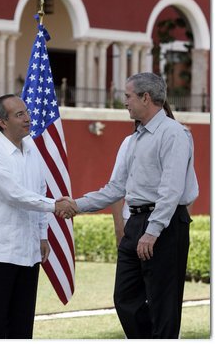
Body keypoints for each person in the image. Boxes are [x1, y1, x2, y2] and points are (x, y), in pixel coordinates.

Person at [60, 73, 199, 339]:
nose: (124, 102)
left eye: (128, 96)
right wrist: (76, 204)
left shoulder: (174, 134)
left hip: (165, 225)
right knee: (125, 299)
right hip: (135, 223)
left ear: (146, 98)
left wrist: (153, 230)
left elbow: (171, 190)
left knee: (163, 304)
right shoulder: (131, 141)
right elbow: (114, 189)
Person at [0, 94, 76, 339]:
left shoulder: (31, 148)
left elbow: (39, 190)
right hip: (0, 252)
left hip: (29, 250)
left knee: (22, 322)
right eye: (19, 114)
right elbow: (14, 195)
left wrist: (42, 235)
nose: (28, 118)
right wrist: (56, 206)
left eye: (27, 112)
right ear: (2, 122)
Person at [111, 100, 175, 247]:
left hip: (168, 223)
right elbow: (116, 188)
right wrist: (119, 229)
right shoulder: (129, 142)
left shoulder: (176, 140)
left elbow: (185, 190)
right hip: (133, 220)